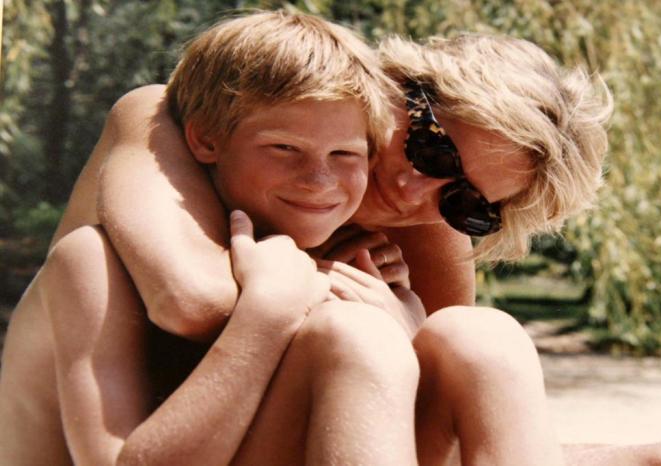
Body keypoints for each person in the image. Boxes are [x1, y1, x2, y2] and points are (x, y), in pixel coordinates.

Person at [0, 11, 425, 465]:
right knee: (356, 336)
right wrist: (269, 311)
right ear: (205, 140)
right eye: (284, 148)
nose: (319, 180)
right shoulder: (93, 262)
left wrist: (405, 320)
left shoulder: (317, 262)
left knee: (479, 337)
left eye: (344, 153)